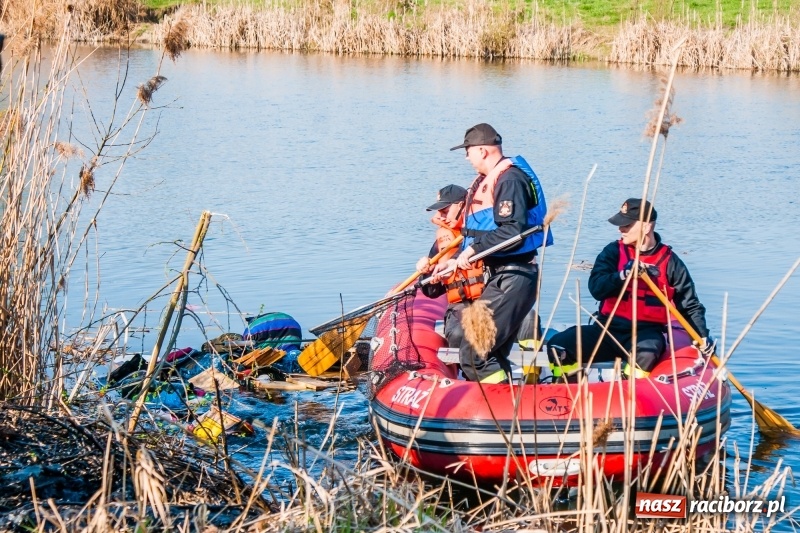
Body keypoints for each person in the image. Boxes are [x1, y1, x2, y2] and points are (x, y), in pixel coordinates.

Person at [432, 123, 553, 383]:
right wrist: (453, 264)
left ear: (483, 151)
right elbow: (479, 233)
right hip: (500, 276)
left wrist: (474, 250)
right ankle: (506, 406)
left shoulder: (509, 179)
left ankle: (501, 412)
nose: (466, 157)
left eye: (468, 151)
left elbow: (512, 230)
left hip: (515, 277)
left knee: (474, 352)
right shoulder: (486, 181)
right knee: (487, 350)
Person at [547, 198, 713, 379]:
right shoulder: (612, 252)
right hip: (607, 329)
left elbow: (689, 305)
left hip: (645, 333)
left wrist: (701, 336)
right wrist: (622, 276)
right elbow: (596, 288)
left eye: (626, 224)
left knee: (646, 353)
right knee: (559, 345)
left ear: (646, 226)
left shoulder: (670, 262)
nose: (620, 229)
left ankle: (628, 392)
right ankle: (567, 390)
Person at [416, 184, 469, 348]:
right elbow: (431, 291)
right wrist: (426, 272)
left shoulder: (483, 233)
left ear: (461, 206)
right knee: (459, 333)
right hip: (460, 305)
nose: (440, 216)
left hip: (490, 301)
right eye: (439, 212)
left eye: (445, 211)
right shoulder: (443, 239)